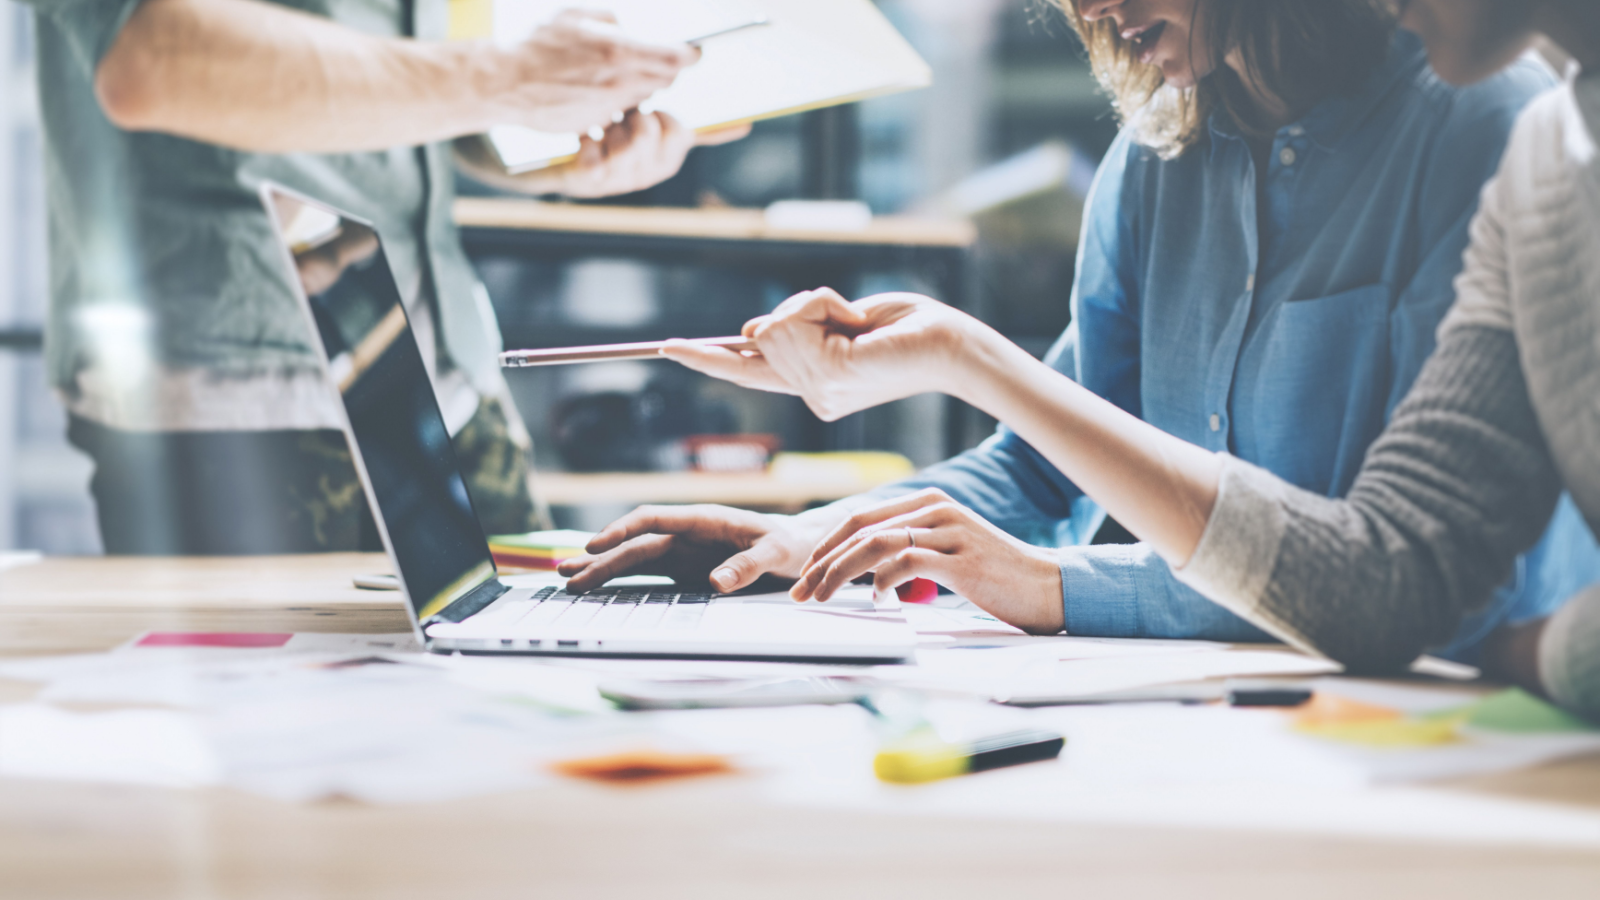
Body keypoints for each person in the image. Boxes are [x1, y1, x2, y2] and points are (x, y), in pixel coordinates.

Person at [622, 0, 1600, 718]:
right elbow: (1047, 462)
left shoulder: (1493, 123)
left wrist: (1054, 587)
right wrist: (807, 543)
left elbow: (1427, 577)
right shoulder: (1153, 162)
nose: (1088, 7)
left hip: (1444, 724)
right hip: (1230, 724)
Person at [32, 0, 744, 553]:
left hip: (451, 369)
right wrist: (511, 79)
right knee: (283, 735)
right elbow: (153, 58)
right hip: (243, 396)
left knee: (525, 704)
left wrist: (557, 144)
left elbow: (416, 84)